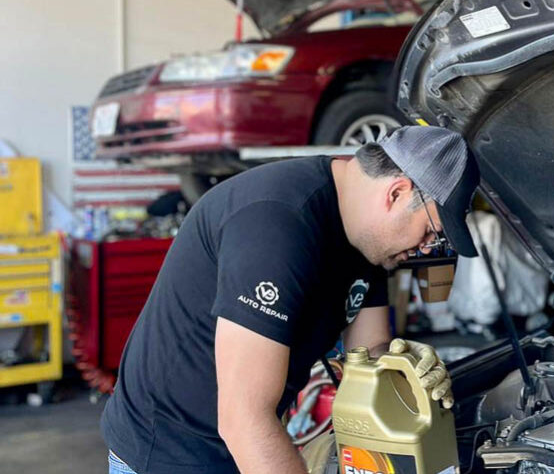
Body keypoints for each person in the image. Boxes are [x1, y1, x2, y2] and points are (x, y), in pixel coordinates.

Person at [101, 126, 480, 474]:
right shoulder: (277, 226)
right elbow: (243, 418)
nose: (428, 248)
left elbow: (369, 352)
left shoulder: (369, 241)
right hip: (169, 451)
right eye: (432, 231)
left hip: (245, 445)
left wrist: (402, 362)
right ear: (396, 193)